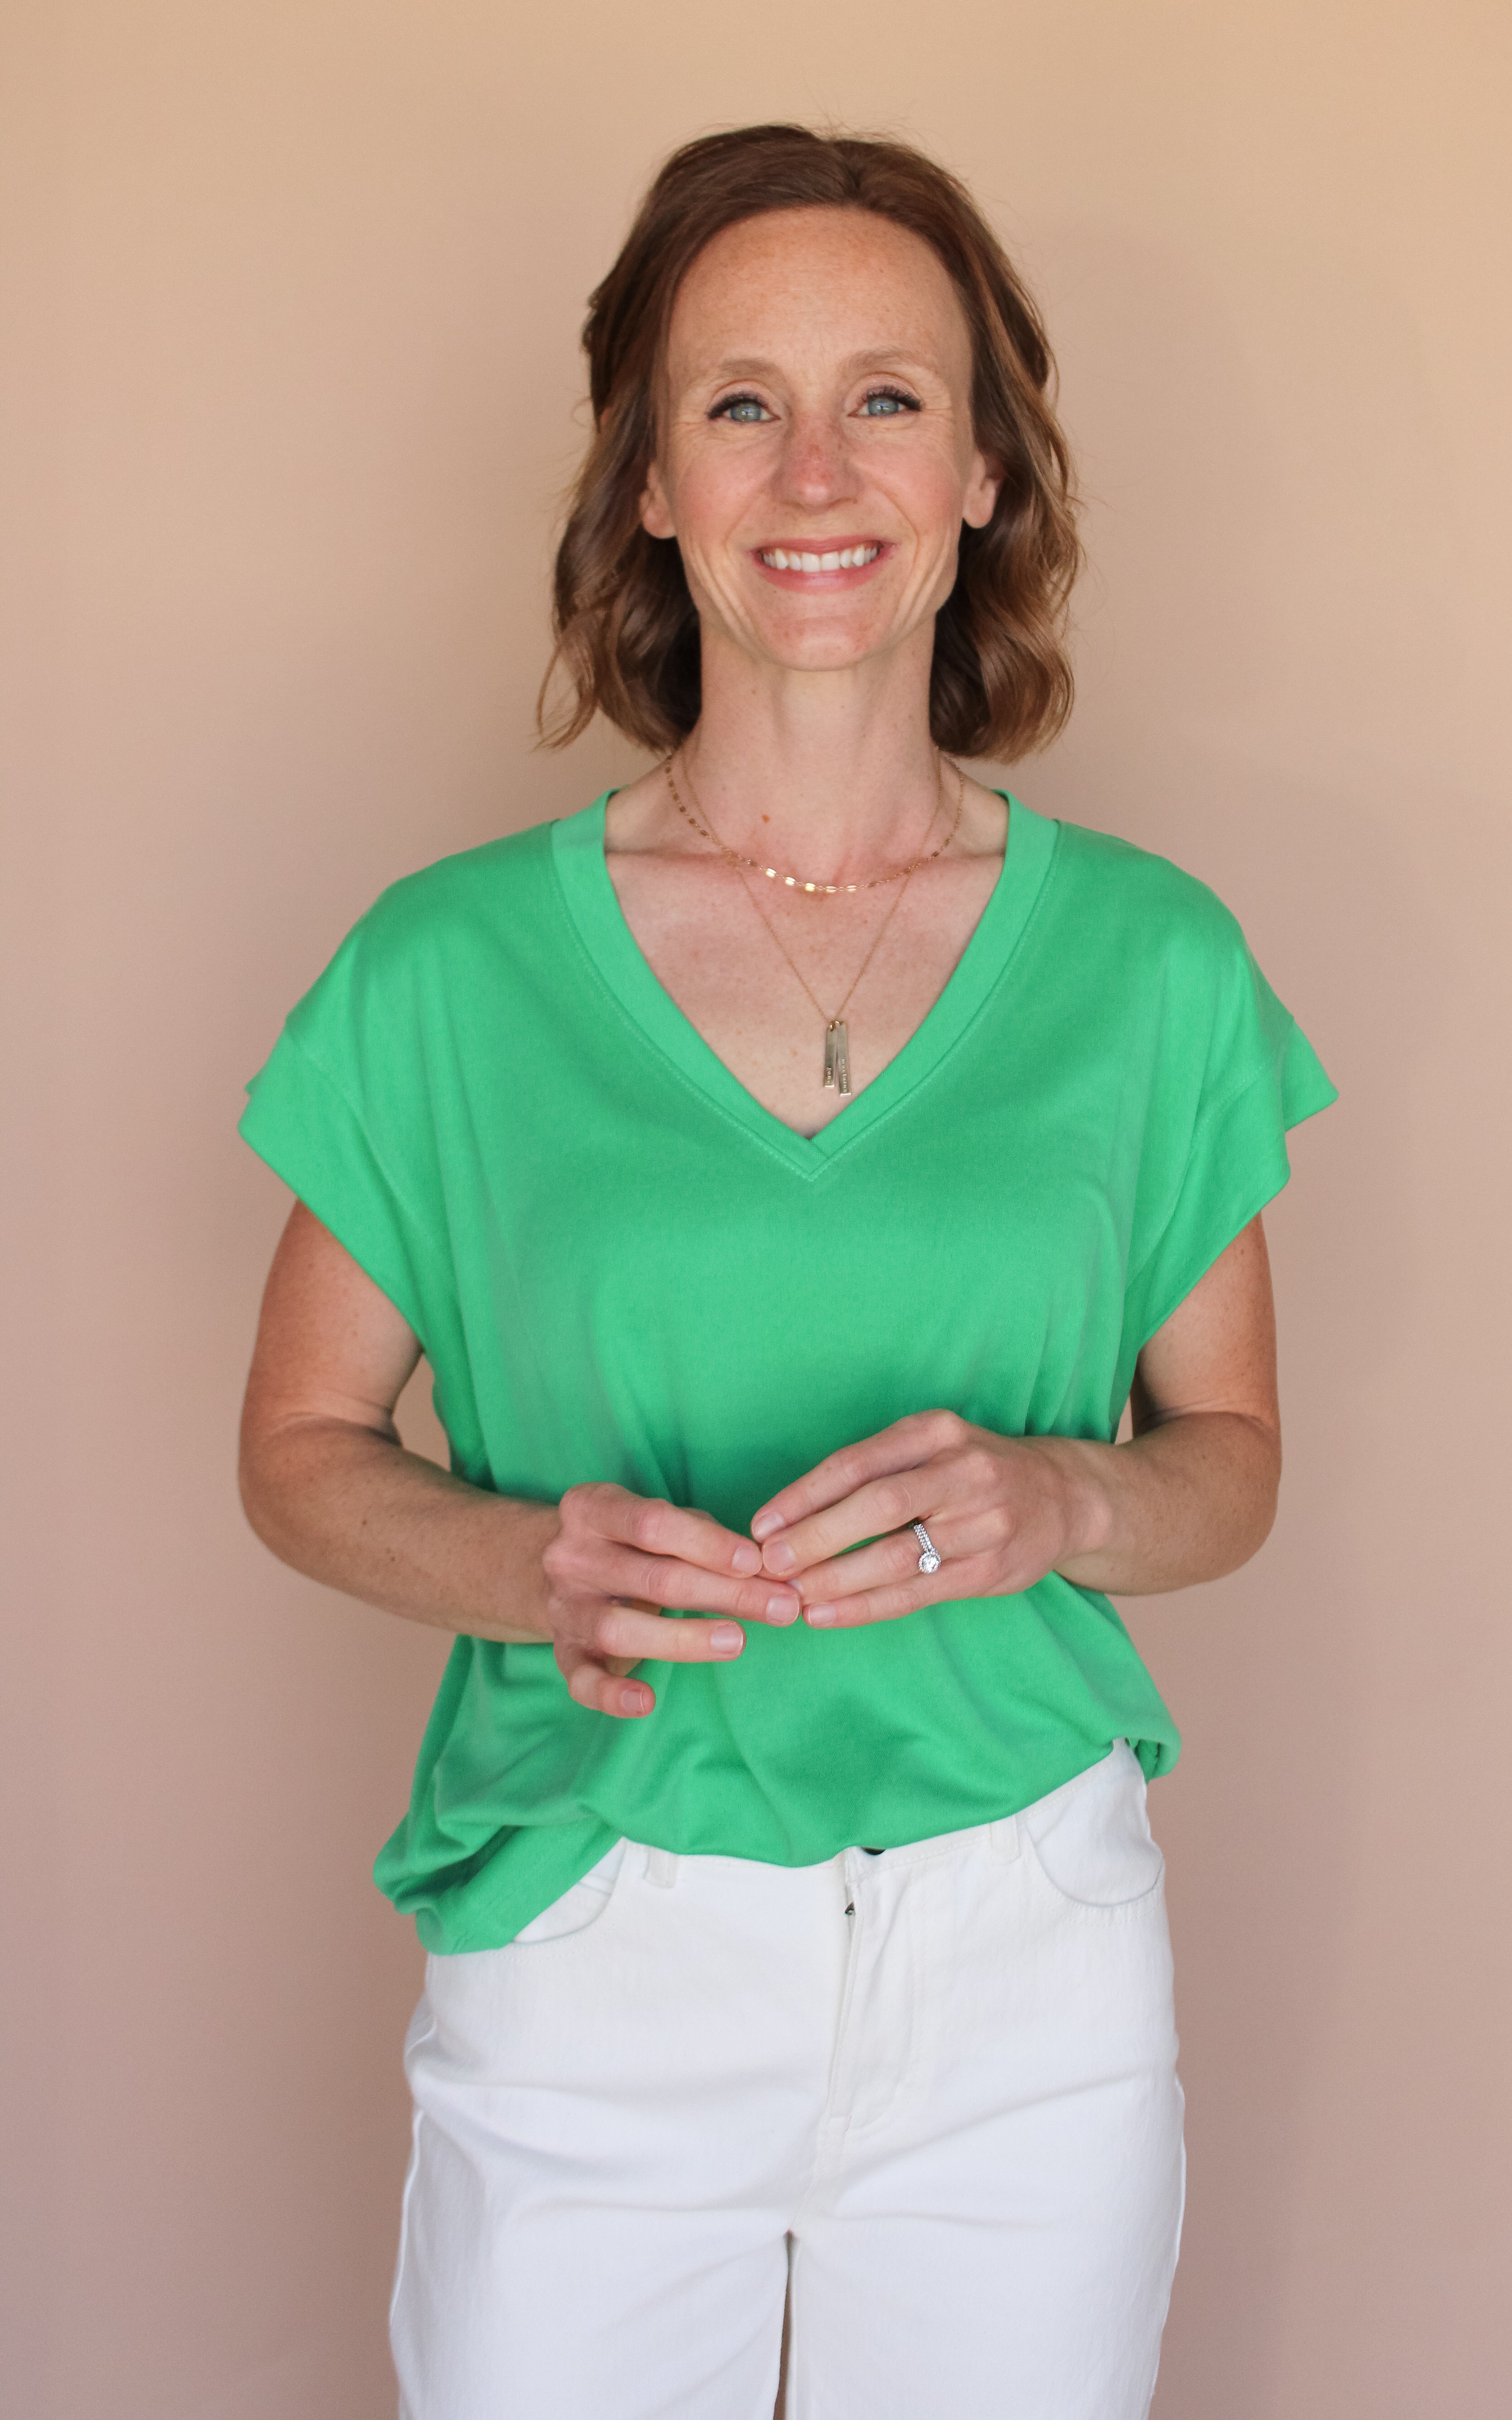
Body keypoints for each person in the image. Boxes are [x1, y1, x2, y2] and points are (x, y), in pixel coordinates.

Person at [237, 123, 1335, 2420]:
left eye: (887, 399)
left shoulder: (1150, 965)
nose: (814, 470)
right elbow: (302, 1448)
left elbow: (1227, 1460)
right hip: (592, 1931)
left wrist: (1060, 1495)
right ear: (649, 481)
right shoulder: (447, 970)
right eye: (739, 401)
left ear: (982, 476)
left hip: (1025, 1958)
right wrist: (527, 1559)